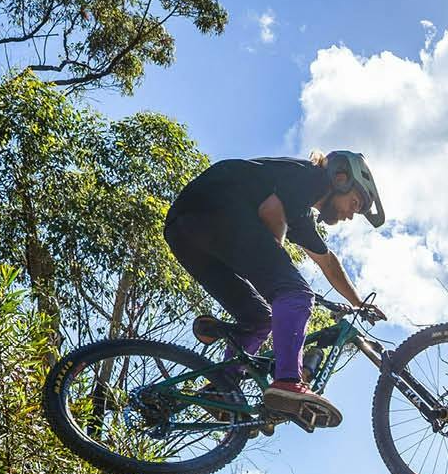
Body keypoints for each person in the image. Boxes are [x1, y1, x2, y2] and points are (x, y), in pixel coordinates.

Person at [162, 150, 386, 431]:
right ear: (340, 179)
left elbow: (328, 262)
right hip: (215, 209)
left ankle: (221, 387)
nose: (352, 215)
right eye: (355, 203)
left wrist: (358, 303)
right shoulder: (309, 178)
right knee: (296, 293)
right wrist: (278, 275)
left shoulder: (300, 212)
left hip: (184, 231)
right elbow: (271, 214)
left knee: (259, 319)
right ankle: (288, 381)